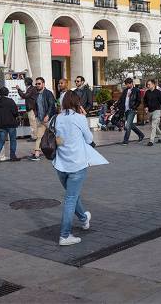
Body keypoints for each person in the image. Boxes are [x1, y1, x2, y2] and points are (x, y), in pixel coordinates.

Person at [53, 91, 97, 246]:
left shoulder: (57, 118)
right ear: (76, 102)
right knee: (71, 199)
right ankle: (65, 236)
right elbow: (89, 139)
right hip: (77, 164)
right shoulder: (79, 118)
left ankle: (84, 218)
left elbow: (59, 138)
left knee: (73, 195)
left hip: (61, 164)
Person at [0, 87, 21, 163]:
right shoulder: (10, 101)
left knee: (1, 141)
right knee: (13, 140)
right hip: (11, 124)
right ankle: (12, 156)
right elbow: (15, 112)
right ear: (7, 93)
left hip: (0, 125)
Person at [29, 77, 56, 161]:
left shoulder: (48, 93)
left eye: (39, 83)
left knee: (54, 135)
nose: (37, 85)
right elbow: (35, 106)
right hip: (40, 119)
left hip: (49, 119)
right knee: (40, 136)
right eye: (36, 84)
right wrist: (36, 115)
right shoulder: (36, 95)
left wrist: (47, 115)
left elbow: (52, 105)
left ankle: (38, 154)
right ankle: (37, 153)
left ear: (43, 84)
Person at [116, 78, 144, 144]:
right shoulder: (125, 91)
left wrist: (134, 107)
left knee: (128, 125)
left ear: (131, 83)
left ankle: (125, 140)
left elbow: (139, 101)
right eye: (126, 84)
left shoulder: (136, 90)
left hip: (132, 110)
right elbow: (121, 99)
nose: (127, 85)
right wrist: (115, 105)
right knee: (130, 125)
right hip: (125, 110)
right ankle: (141, 135)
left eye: (128, 84)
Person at [143, 79, 161, 145]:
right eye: (147, 84)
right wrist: (146, 106)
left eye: (149, 84)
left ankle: (151, 141)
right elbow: (145, 101)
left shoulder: (158, 92)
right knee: (154, 126)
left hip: (157, 110)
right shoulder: (147, 92)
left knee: (153, 125)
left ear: (153, 84)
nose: (148, 86)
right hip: (150, 111)